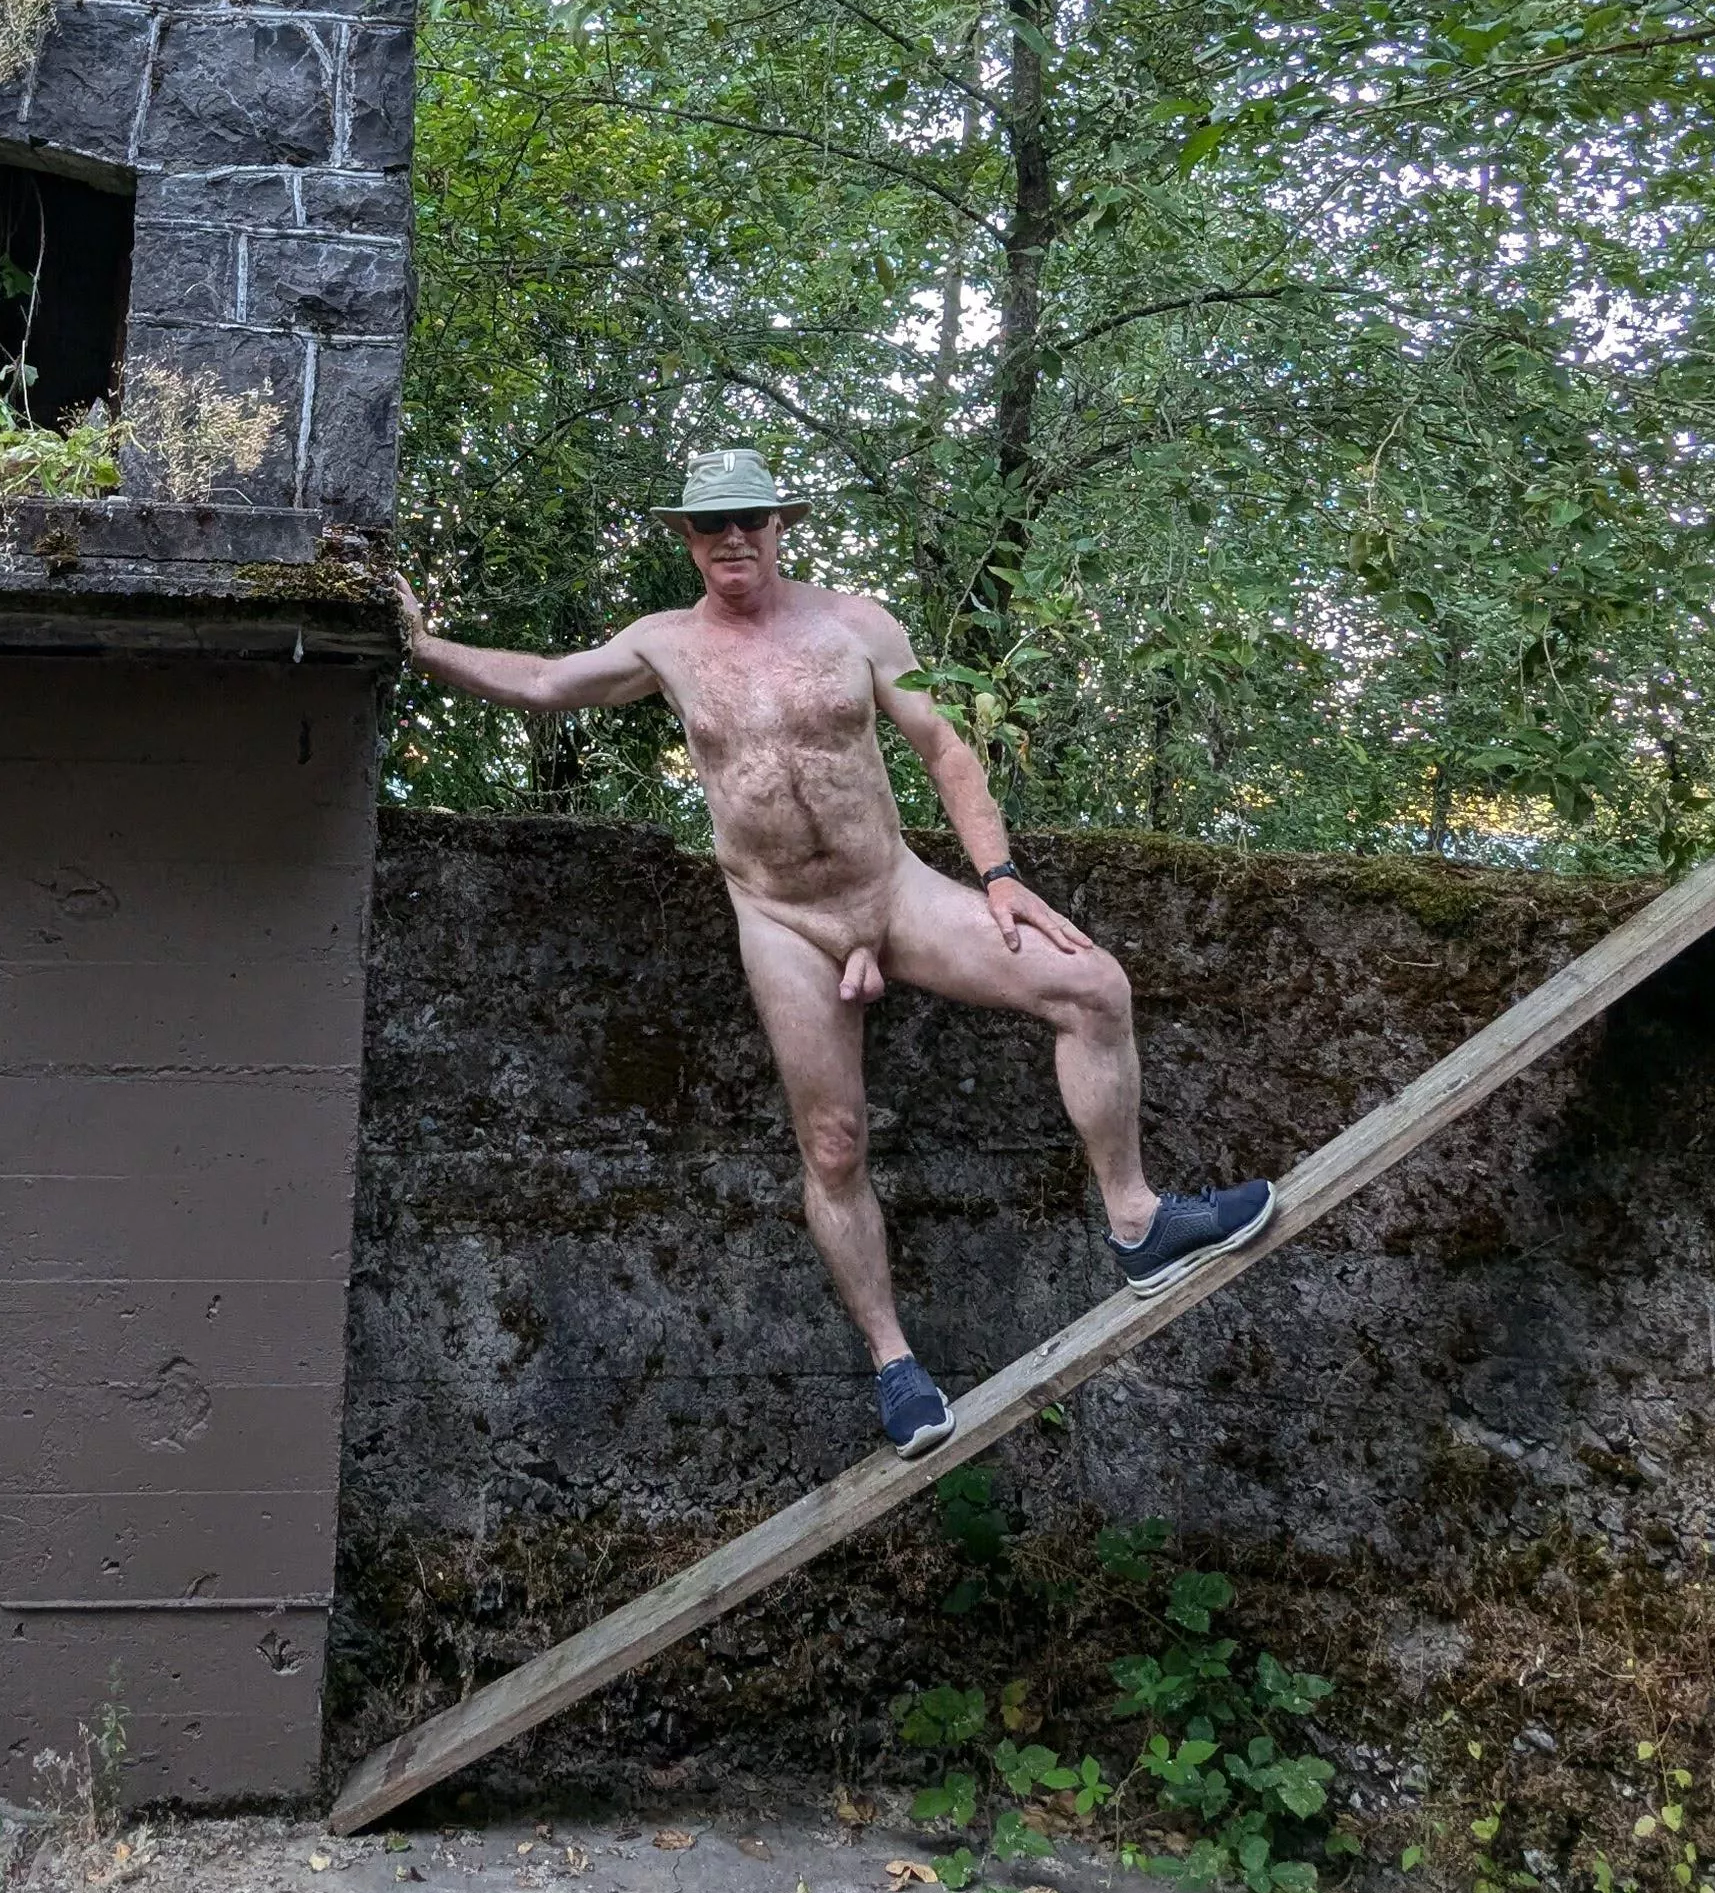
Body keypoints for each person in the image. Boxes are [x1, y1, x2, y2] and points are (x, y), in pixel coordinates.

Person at [396, 448, 1273, 1462]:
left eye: (752, 519)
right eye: (711, 524)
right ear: (686, 537)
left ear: (782, 526)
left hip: (895, 893)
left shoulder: (856, 625)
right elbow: (547, 681)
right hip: (784, 923)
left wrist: (997, 875)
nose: (733, 538)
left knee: (1093, 984)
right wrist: (422, 647)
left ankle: (1139, 1223)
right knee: (834, 1144)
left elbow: (944, 747)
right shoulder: (666, 646)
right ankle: (894, 1360)